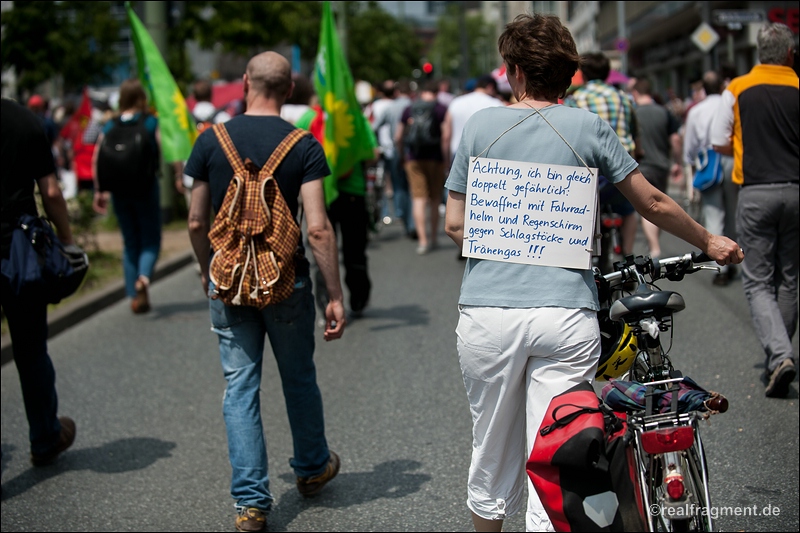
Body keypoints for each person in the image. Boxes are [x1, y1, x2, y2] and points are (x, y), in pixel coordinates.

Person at [443, 13, 744, 532]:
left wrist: (511, 234)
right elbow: (649, 200)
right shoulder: (588, 127)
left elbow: (454, 223)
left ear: (513, 71)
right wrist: (710, 240)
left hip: (490, 315)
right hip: (566, 314)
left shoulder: (481, 126)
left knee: (489, 448)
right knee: (558, 450)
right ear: (568, 75)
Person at [185, 51, 346, 532]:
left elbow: (196, 220)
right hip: (286, 280)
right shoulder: (304, 144)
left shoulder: (210, 139)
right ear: (290, 90)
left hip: (229, 281)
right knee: (298, 376)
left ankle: (251, 504)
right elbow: (317, 229)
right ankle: (313, 467)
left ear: (244, 83)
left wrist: (207, 270)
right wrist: (333, 294)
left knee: (240, 386)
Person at [711, 22, 799, 399]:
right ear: (790, 53)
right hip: (796, 191)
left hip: (756, 191)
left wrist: (743, 147)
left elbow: (718, 142)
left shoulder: (737, 88)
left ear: (759, 52)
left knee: (758, 280)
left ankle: (780, 355)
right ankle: (779, 356)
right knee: (790, 278)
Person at [1, 97, 77, 467]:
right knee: (31, 350)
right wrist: (66, 238)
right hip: (19, 253)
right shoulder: (24, 120)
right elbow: (50, 191)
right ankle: (45, 435)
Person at [295, 98, 374, 319]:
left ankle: (325, 303)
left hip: (320, 192)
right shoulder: (355, 118)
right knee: (355, 249)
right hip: (353, 192)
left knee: (323, 248)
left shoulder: (308, 118)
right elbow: (370, 153)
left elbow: (293, 152)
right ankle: (358, 299)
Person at [92, 78, 162, 314]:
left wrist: (100, 189)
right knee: (151, 239)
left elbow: (98, 156)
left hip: (118, 190)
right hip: (145, 187)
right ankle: (143, 278)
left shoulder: (110, 126)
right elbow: (160, 152)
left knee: (130, 241)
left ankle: (133, 294)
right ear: (141, 97)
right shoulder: (151, 122)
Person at [564, 51, 639, 257]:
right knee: (629, 210)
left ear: (583, 74)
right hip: (620, 169)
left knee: (580, 212)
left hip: (590, 172)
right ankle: (628, 254)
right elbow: (634, 131)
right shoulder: (624, 98)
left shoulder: (575, 98)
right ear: (608, 74)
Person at [683, 70, 739, 286]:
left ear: (704, 89)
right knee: (733, 212)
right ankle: (734, 257)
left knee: (713, 212)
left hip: (708, 161)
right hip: (731, 158)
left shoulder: (697, 110)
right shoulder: (731, 104)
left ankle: (719, 268)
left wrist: (690, 163)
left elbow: (690, 145)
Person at [630, 77, 683, 259]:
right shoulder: (664, 112)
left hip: (641, 166)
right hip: (661, 166)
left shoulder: (634, 112)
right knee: (658, 205)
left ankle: (654, 248)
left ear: (635, 93)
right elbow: (675, 139)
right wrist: (678, 162)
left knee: (648, 207)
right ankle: (654, 244)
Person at [396, 79, 449, 255]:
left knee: (418, 198)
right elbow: (446, 136)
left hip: (414, 158)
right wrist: (446, 160)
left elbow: (398, 136)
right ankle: (433, 237)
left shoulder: (409, 109)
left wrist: (403, 155)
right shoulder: (441, 109)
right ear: (437, 92)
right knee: (435, 199)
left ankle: (423, 241)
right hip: (435, 157)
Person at [374, 78, 416, 239]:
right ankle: (413, 223)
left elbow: (375, 127)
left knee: (399, 186)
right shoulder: (414, 105)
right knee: (414, 189)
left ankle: (403, 216)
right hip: (414, 151)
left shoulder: (391, 108)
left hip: (396, 151)